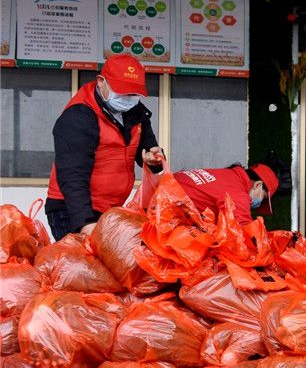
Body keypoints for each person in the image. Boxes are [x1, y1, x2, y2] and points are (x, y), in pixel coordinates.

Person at [46, 55, 164, 240]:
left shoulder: (136, 112)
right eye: (122, 92)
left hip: (110, 210)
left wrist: (153, 159)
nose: (128, 99)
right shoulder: (79, 116)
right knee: (83, 267)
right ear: (101, 82)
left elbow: (148, 149)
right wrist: (85, 224)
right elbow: (72, 176)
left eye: (133, 94)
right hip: (72, 209)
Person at [174, 162, 283, 225]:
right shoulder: (238, 194)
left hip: (164, 192)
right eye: (263, 198)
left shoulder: (228, 175)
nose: (258, 205)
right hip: (166, 211)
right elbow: (244, 232)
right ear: (258, 185)